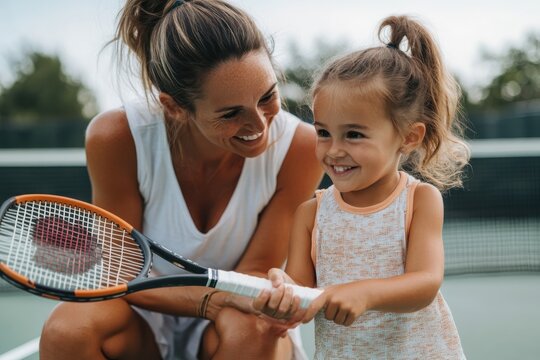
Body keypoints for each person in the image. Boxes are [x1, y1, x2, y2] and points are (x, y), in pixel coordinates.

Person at [39, 0, 323, 359]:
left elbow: (254, 271)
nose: (260, 125)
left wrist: (242, 300)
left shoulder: (301, 147)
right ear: (174, 106)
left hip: (237, 321)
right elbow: (120, 276)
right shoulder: (116, 137)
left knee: (256, 328)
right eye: (231, 113)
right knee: (67, 329)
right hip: (141, 318)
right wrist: (209, 302)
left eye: (267, 96)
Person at [253, 15, 469, 359]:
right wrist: (283, 293)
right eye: (323, 132)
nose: (334, 149)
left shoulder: (420, 200)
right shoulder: (310, 214)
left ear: (409, 137)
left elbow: (425, 283)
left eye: (353, 134)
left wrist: (364, 293)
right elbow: (301, 290)